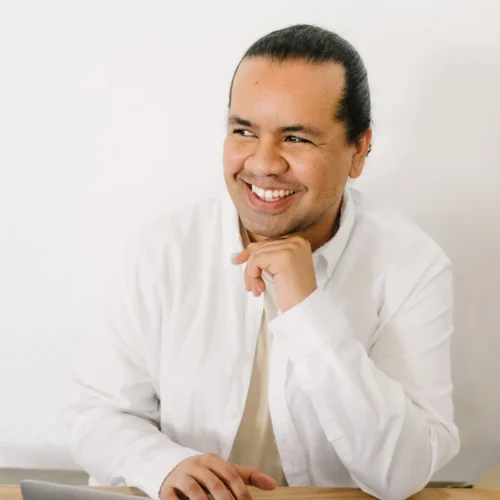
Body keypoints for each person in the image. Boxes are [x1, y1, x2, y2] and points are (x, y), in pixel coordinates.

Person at [67, 24, 460, 500]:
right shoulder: (161, 249)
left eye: (295, 138)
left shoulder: (412, 266)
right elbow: (96, 417)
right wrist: (164, 465)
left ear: (358, 150)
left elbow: (401, 474)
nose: (263, 163)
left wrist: (306, 309)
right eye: (244, 131)